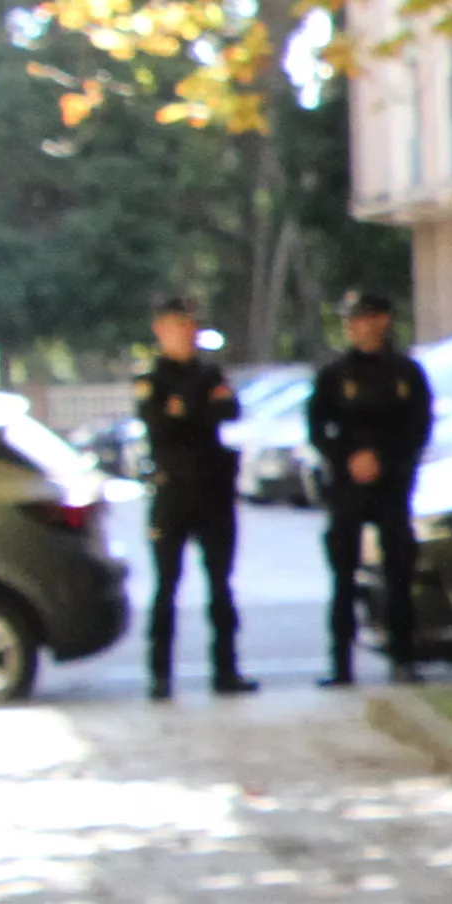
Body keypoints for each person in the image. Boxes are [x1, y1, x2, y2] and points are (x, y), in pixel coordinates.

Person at [130, 297, 255, 701]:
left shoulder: (210, 372)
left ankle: (226, 671)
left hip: (213, 493)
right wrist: (200, 408)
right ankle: (160, 675)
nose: (185, 332)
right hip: (173, 494)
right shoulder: (152, 378)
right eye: (175, 325)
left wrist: (191, 409)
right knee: (167, 586)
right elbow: (160, 424)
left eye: (189, 325)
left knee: (221, 585)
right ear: (160, 330)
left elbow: (230, 410)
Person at [308, 293, 433, 686]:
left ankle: (403, 658)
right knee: (343, 575)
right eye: (351, 320)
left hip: (392, 485)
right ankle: (340, 663)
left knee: (398, 573)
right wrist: (346, 458)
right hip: (348, 486)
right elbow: (317, 427)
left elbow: (418, 428)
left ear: (383, 320)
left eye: (364, 318)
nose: (357, 327)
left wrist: (387, 460)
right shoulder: (334, 374)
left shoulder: (405, 372)